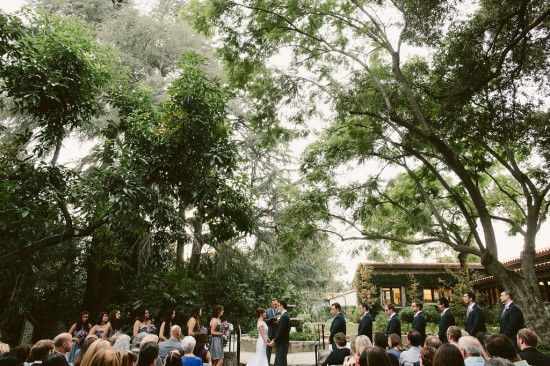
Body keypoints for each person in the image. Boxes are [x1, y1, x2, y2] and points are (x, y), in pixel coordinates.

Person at [271, 299, 290, 366]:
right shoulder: (285, 315)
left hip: (282, 343)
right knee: (279, 361)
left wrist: (275, 340)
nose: (277, 307)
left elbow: (281, 331)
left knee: (281, 362)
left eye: (278, 306)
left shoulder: (284, 316)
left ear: (282, 306)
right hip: (282, 342)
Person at [265, 299, 280, 365]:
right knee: (268, 349)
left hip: (277, 332)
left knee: (278, 348)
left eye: (276, 304)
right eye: (273, 304)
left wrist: (277, 322)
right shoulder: (267, 311)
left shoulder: (280, 311)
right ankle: (267, 362)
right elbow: (264, 320)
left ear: (278, 304)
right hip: (270, 332)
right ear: (271, 304)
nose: (274, 306)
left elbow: (282, 321)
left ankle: (276, 363)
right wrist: (269, 321)